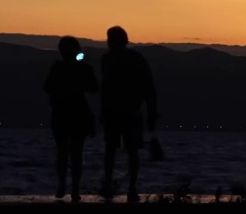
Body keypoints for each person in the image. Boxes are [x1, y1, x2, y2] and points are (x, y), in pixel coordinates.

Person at [100, 26, 159, 203]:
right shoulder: (134, 58)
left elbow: (106, 89)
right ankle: (129, 188)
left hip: (119, 112)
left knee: (112, 151)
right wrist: (151, 110)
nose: (109, 42)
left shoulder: (108, 59)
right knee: (130, 152)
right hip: (130, 112)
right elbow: (148, 86)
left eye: (110, 39)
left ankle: (111, 187)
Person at [43, 36, 98, 202]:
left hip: (60, 111)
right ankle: (75, 189)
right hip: (79, 112)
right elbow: (94, 88)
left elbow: (47, 87)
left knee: (62, 151)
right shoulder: (84, 67)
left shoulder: (57, 67)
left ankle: (62, 185)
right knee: (76, 153)